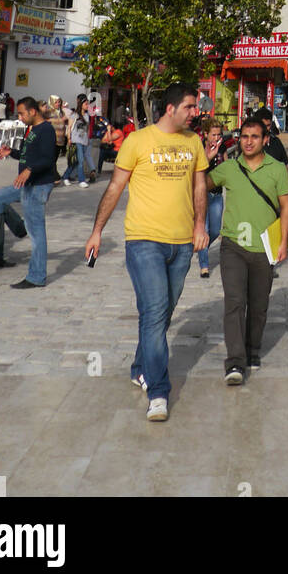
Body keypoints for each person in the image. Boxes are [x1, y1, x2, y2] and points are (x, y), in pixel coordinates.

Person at [84, 83, 209, 422]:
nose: (195, 112)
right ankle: (158, 391)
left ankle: (140, 367)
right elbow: (115, 187)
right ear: (170, 109)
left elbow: (200, 186)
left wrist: (201, 226)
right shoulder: (138, 141)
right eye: (189, 107)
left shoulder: (193, 142)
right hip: (143, 241)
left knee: (163, 314)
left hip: (182, 244)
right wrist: (97, 232)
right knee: (154, 312)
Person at [207, 117, 288, 384]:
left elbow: (286, 207)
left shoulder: (277, 169)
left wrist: (283, 242)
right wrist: (207, 161)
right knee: (234, 302)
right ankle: (235, 362)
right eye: (244, 136)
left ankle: (252, 350)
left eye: (255, 136)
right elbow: (201, 185)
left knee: (258, 306)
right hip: (232, 246)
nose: (249, 141)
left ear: (266, 139)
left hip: (264, 248)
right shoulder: (229, 168)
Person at [0, 97, 58, 289]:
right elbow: (28, 154)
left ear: (33, 112)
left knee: (36, 233)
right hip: (26, 184)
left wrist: (29, 170)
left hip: (37, 186)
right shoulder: (32, 130)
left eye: (22, 113)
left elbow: (47, 160)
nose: (19, 117)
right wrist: (11, 152)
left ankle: (36, 277)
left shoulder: (46, 130)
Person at [198, 121, 229, 277]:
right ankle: (204, 265)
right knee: (205, 229)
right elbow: (197, 167)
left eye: (219, 135)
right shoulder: (199, 146)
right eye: (213, 135)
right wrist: (209, 155)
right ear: (206, 134)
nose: (216, 138)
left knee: (215, 231)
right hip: (201, 194)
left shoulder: (221, 147)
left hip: (217, 193)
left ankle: (200, 247)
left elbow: (227, 165)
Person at [62, 97, 93, 188]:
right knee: (81, 160)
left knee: (75, 161)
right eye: (86, 104)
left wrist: (87, 140)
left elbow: (87, 129)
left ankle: (65, 176)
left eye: (88, 104)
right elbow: (69, 127)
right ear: (81, 105)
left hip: (84, 141)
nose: (87, 106)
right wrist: (69, 139)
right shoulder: (74, 114)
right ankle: (81, 180)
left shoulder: (87, 115)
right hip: (76, 140)